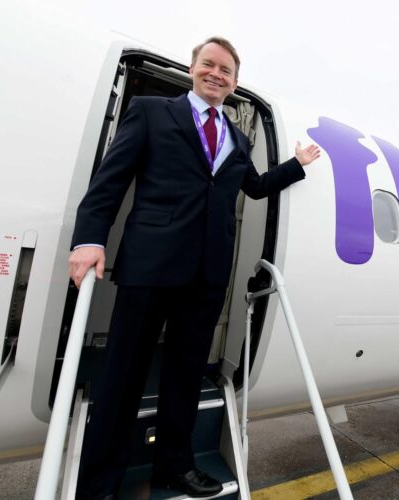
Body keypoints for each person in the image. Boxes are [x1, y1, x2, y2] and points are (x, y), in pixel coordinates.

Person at [70, 36, 320, 499]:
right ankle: (99, 481)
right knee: (124, 374)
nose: (216, 74)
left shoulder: (238, 139)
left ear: (235, 83)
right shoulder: (151, 111)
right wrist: (89, 239)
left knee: (185, 374)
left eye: (226, 70)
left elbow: (256, 187)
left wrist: (297, 164)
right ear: (192, 68)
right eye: (209, 64)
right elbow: (112, 177)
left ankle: (175, 466)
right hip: (149, 263)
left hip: (207, 274)